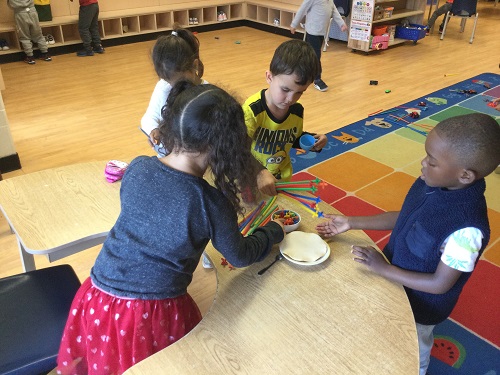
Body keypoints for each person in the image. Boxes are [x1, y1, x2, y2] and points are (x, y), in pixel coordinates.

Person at [56, 81, 286, 375]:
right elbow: (239, 256)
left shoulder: (138, 167)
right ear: (226, 147)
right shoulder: (211, 202)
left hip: (96, 294)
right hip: (148, 314)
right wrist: (273, 231)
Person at [316, 113, 500, 375]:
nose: (423, 163)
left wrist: (383, 269)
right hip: (394, 279)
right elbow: (406, 218)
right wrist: (351, 222)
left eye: (432, 162)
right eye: (426, 155)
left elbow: (440, 284)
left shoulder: (466, 231)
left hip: (421, 307)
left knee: (413, 348)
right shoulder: (432, 182)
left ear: (465, 176)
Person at [243, 39, 328, 197]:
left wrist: (312, 141)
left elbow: (291, 138)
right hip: (253, 177)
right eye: (285, 89)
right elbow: (237, 150)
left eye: (299, 92)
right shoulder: (252, 111)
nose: (290, 98)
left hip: (282, 179)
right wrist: (259, 173)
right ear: (269, 77)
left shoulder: (296, 110)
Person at [141, 26, 206, 156]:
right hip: (169, 156)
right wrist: (153, 129)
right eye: (167, 80)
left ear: (194, 66)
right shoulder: (163, 87)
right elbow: (149, 117)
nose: (173, 86)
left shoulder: (206, 93)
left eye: (180, 81)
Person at [290, 0, 347, 92]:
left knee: (307, 54)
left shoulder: (329, 1)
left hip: (321, 32)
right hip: (312, 31)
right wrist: (294, 24)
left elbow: (334, 12)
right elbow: (302, 9)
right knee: (316, 56)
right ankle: (317, 79)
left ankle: (299, 71)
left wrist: (342, 24)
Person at [7, 0, 52, 64]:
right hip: (32, 10)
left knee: (24, 36)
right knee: (38, 34)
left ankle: (30, 57)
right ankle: (45, 53)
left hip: (20, 13)